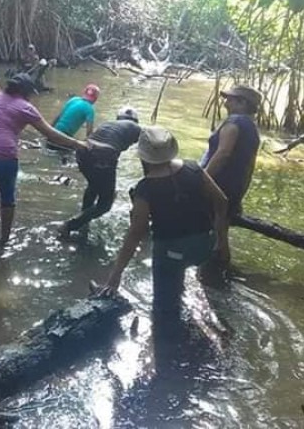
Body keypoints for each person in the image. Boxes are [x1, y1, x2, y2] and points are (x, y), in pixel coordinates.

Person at [97, 126, 228, 328]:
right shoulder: (194, 168)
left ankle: (167, 341)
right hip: (204, 246)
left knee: (163, 310)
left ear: (144, 156)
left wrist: (115, 276)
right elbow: (222, 201)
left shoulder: (145, 188)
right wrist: (220, 240)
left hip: (171, 254)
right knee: (180, 267)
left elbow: (135, 234)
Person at [0, 73, 88, 246]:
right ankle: (3, 241)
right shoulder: (26, 107)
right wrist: (77, 144)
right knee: (7, 199)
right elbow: (50, 134)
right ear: (26, 92)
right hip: (4, 155)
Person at [199, 84, 262, 265]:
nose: (225, 103)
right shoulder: (251, 128)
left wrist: (202, 179)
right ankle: (219, 274)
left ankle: (209, 273)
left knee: (211, 235)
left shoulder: (233, 122)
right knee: (221, 235)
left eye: (230, 99)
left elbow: (223, 153)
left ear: (242, 103)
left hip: (218, 185)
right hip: (234, 187)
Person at [60, 106, 141, 241]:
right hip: (104, 156)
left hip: (83, 153)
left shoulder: (108, 125)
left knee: (93, 185)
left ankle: (84, 220)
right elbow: (148, 155)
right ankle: (70, 225)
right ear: (135, 120)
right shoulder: (136, 129)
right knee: (105, 204)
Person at [49, 84, 100, 151]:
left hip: (54, 131)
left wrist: (49, 130)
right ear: (95, 98)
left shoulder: (73, 99)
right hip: (65, 136)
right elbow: (89, 132)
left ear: (84, 93)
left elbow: (58, 116)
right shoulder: (89, 109)